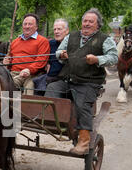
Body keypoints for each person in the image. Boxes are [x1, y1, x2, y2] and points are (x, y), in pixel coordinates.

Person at [45, 8, 118, 155]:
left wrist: (98, 59)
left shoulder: (105, 39)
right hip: (68, 78)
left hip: (89, 82)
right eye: (85, 21)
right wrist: (62, 54)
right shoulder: (71, 36)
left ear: (98, 25)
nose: (87, 24)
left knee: (83, 104)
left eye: (91, 21)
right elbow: (59, 52)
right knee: (52, 89)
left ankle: (83, 141)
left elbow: (114, 58)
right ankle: (54, 124)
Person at [3, 13, 50, 95]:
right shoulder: (15, 42)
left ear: (36, 27)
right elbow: (10, 62)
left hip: (33, 75)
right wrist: (6, 63)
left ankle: (27, 107)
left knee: (29, 89)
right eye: (25, 24)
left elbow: (41, 60)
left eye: (30, 24)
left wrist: (29, 69)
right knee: (3, 87)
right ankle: (5, 107)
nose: (27, 26)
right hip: (15, 73)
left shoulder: (42, 41)